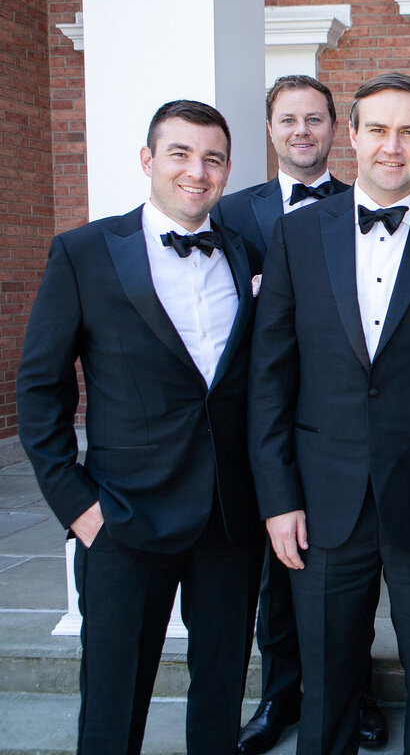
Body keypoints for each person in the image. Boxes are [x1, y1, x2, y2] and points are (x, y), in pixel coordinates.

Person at [249, 72, 410, 755]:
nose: (394, 146)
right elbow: (270, 380)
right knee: (327, 678)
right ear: (353, 135)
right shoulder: (297, 235)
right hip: (323, 498)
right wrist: (277, 499)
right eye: (380, 129)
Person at [17, 100, 261, 754]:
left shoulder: (244, 253)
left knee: (220, 702)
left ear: (227, 170)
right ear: (149, 160)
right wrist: (78, 506)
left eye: (212, 158)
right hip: (122, 518)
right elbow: (40, 388)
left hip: (229, 520)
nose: (197, 171)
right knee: (112, 705)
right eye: (180, 153)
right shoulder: (85, 252)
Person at [211, 75, 388, 753]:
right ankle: (280, 694)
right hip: (260, 415)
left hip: (335, 415)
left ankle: (355, 695)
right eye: (289, 120)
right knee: (277, 581)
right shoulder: (234, 213)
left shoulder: (362, 204)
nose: (302, 131)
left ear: (336, 130)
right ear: (271, 129)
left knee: (342, 581)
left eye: (314, 119)